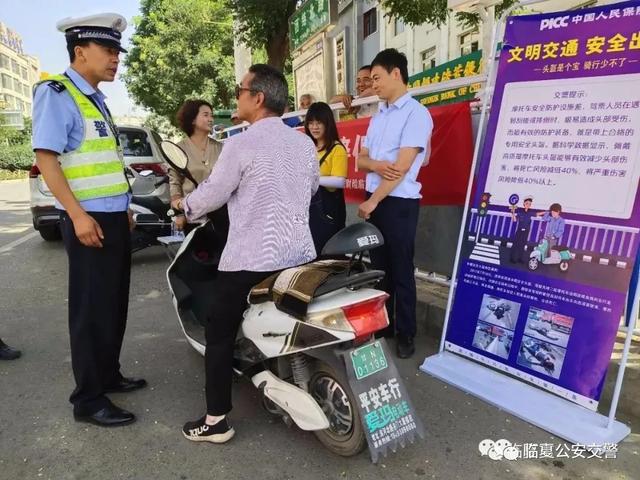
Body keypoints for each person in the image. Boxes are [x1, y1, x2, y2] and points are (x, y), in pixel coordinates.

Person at [172, 64, 318, 444]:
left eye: (240, 90)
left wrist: (184, 208)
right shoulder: (303, 143)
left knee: (217, 330)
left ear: (257, 98)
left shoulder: (240, 144)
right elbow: (312, 188)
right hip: (300, 254)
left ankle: (216, 420)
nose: (236, 96)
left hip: (252, 261)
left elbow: (213, 194)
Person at [31, 13, 146, 427]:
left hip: (112, 217)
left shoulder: (96, 99)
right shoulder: (57, 93)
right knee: (90, 308)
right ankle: (88, 399)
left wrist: (124, 206)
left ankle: (108, 374)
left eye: (118, 51)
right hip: (87, 220)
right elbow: (46, 158)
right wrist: (77, 215)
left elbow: (103, 163)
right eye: (109, 50)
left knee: (112, 304)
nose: (116, 59)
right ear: (80, 51)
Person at [356, 49, 432, 359]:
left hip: (397, 204)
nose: (372, 85)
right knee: (379, 269)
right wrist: (375, 165)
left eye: (376, 78)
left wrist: (373, 200)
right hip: (374, 202)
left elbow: (400, 168)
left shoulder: (416, 114)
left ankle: (406, 333)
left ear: (396, 74)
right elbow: (361, 160)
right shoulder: (378, 117)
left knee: (401, 270)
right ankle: (384, 325)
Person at [169, 99, 226, 237]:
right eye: (205, 115)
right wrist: (179, 213)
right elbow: (175, 183)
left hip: (221, 216)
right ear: (192, 119)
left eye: (211, 115)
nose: (211, 119)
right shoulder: (178, 150)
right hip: (193, 217)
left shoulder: (221, 148)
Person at [303, 102, 348, 253]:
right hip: (310, 209)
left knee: (329, 252)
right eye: (311, 123)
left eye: (319, 123)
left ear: (327, 123)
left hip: (329, 210)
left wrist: (313, 179)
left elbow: (339, 181)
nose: (314, 127)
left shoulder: (337, 148)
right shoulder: (308, 147)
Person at [510, 196, 534, 263]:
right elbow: (514, 220)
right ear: (524, 204)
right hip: (519, 230)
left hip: (526, 231)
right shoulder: (520, 212)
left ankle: (520, 259)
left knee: (522, 245)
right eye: (527, 203)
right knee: (515, 244)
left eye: (529, 204)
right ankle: (512, 258)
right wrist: (512, 213)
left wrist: (546, 211)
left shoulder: (530, 213)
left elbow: (537, 214)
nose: (528, 205)